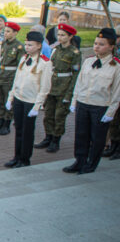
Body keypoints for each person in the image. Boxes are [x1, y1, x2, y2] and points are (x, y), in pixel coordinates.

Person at [63, 28, 120, 174]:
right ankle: (79, 161)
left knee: (97, 138)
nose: (97, 46)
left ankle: (91, 164)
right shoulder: (88, 61)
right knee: (81, 135)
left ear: (111, 47)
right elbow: (79, 83)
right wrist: (74, 102)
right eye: (95, 43)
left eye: (101, 44)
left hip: (100, 107)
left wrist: (110, 112)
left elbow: (116, 93)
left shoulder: (116, 67)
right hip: (83, 103)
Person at [4, 31, 52, 168]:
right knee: (18, 129)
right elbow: (17, 79)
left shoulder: (45, 63)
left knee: (27, 132)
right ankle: (16, 156)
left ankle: (25, 159)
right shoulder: (24, 58)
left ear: (38, 46)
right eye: (26, 44)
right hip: (19, 98)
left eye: (30, 45)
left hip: (31, 101)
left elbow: (45, 87)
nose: (27, 47)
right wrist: (11, 97)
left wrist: (37, 106)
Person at [35, 23, 81, 153]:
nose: (60, 38)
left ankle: (56, 140)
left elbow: (75, 75)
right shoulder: (55, 49)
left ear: (70, 36)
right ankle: (48, 137)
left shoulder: (74, 53)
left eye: (63, 35)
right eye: (59, 35)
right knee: (48, 115)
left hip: (64, 87)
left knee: (59, 116)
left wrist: (69, 94)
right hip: (52, 86)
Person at [0, 21, 24, 136]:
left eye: (8, 31)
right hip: (1, 74)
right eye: (5, 31)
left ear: (15, 33)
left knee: (7, 100)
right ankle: (0, 120)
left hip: (10, 75)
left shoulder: (18, 47)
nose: (5, 33)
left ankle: (7, 124)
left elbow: (20, 65)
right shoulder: (3, 44)